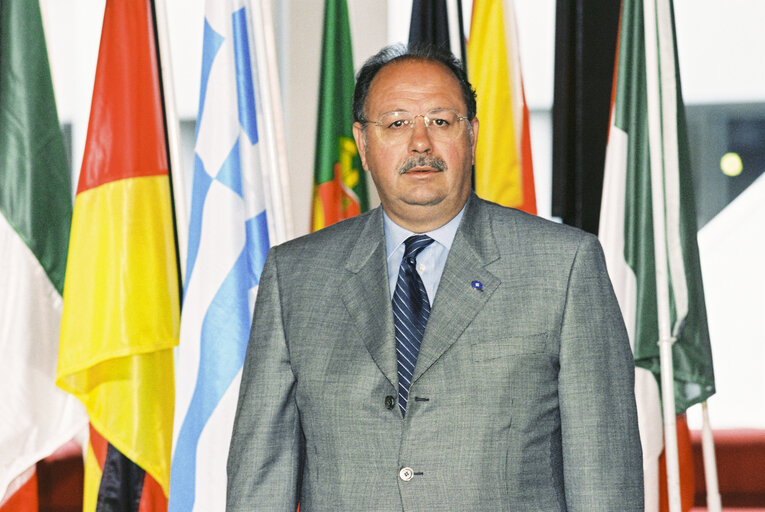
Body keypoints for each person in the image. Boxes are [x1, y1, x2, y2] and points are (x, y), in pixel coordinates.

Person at [227, 44, 643, 511]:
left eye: (441, 122)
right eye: (397, 123)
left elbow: (605, 478)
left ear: (473, 136)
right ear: (363, 144)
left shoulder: (564, 266)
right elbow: (260, 478)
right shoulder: (295, 276)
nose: (420, 142)